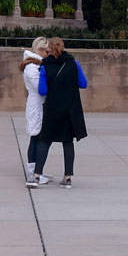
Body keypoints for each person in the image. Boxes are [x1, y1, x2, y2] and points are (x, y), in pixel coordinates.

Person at [34, 35, 87, 187]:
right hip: (70, 110)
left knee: (44, 141)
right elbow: (83, 84)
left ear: (49, 49)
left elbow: (42, 90)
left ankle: (36, 175)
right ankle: (67, 178)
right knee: (67, 142)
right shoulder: (73, 63)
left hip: (52, 109)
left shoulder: (45, 66)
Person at [21, 38, 48, 187]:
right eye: (46, 51)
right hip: (36, 105)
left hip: (40, 105)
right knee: (35, 137)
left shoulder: (37, 65)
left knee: (39, 138)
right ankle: (32, 172)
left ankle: (38, 170)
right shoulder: (32, 67)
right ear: (39, 50)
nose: (48, 54)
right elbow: (40, 88)